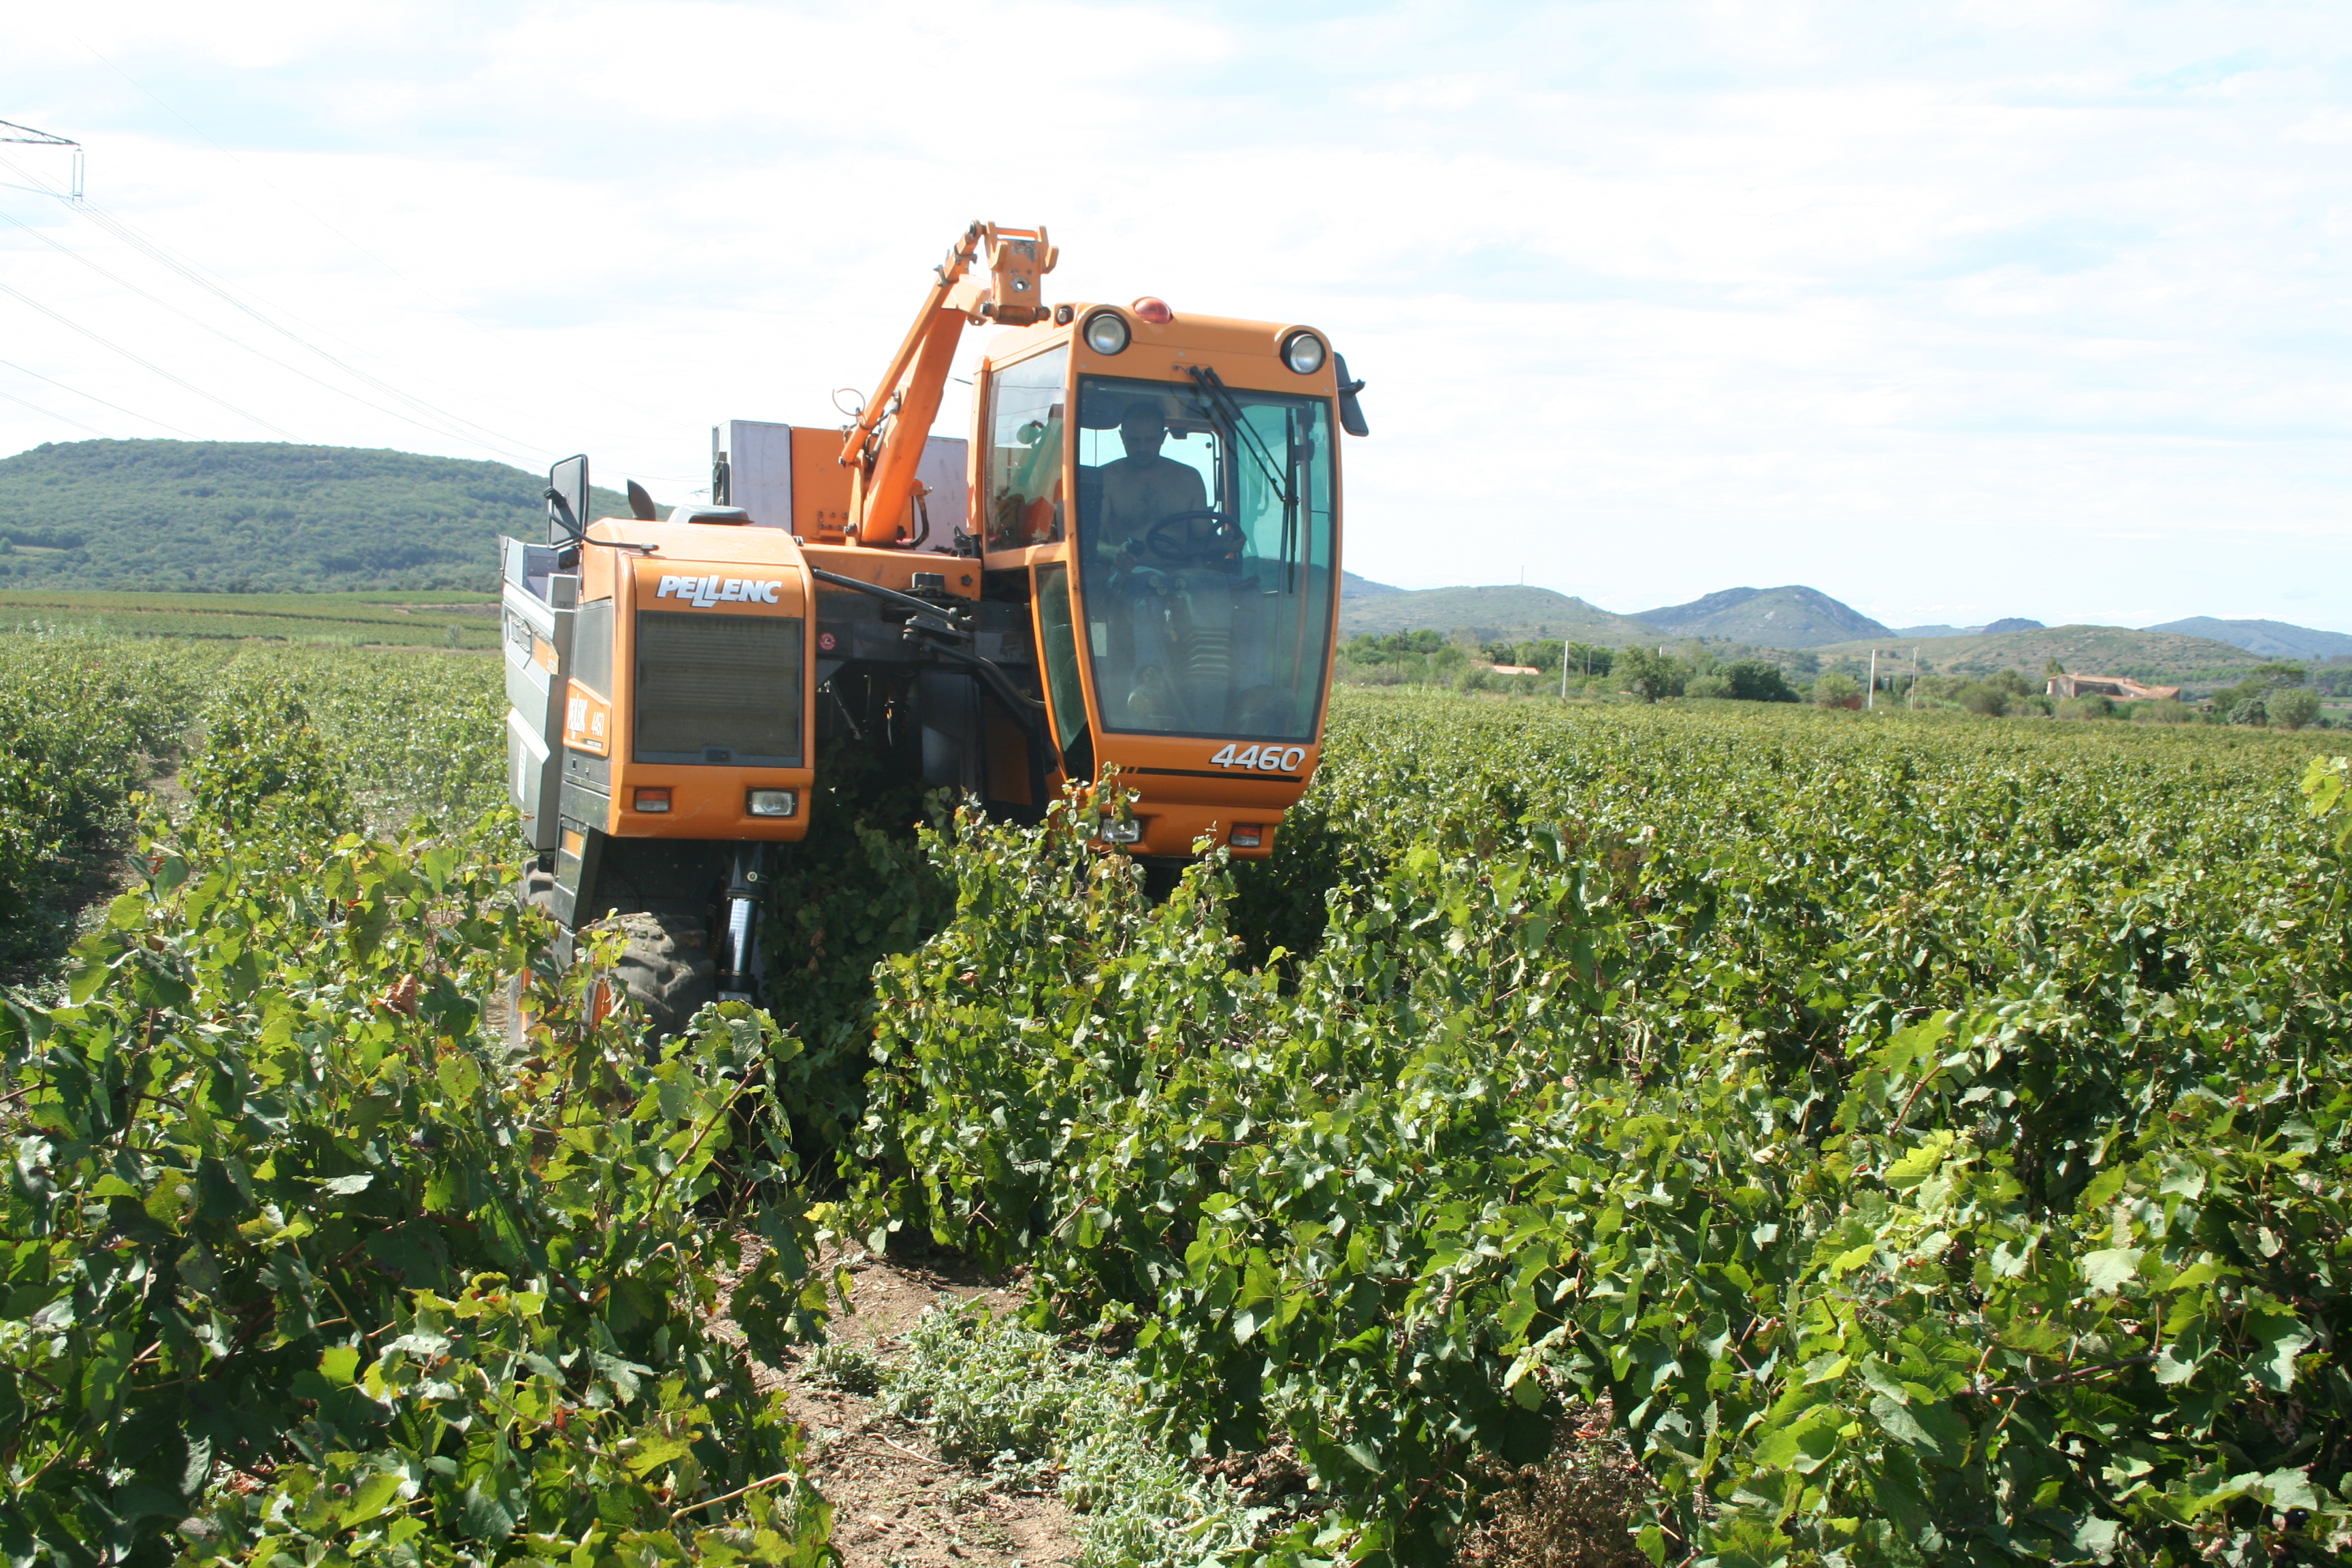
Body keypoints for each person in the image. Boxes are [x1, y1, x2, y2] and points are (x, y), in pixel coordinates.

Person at [1093, 401, 1207, 565]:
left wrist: (1228, 542)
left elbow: (1205, 538)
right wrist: (1115, 553)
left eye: (1150, 440)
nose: (1142, 448)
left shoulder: (1189, 478)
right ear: (1122, 436)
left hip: (1182, 579)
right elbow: (1088, 542)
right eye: (1134, 440)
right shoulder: (1106, 479)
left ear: (1163, 437)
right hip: (1127, 579)